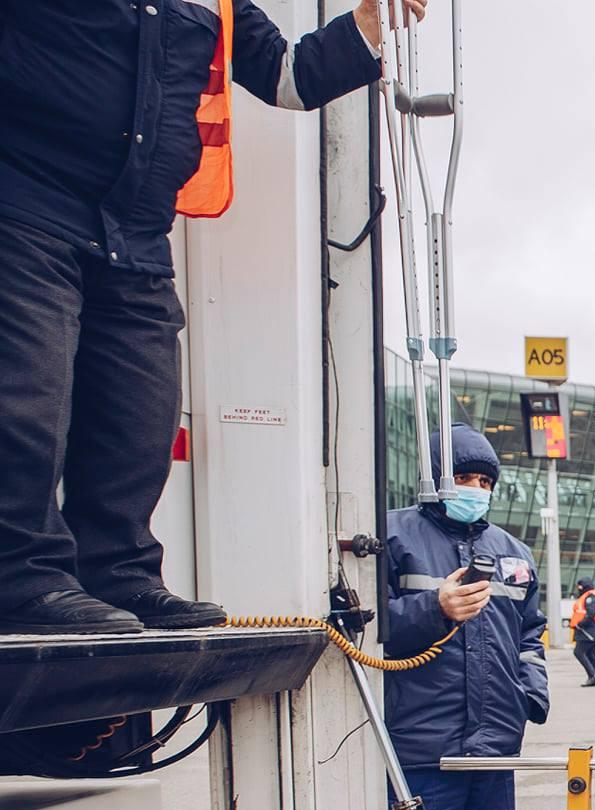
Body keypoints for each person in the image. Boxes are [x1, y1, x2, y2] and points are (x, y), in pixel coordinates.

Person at [0, 0, 425, 635]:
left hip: (137, 231)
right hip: (26, 204)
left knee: (138, 417)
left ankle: (120, 573)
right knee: (25, 404)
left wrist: (367, 23)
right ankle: (21, 579)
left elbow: (289, 76)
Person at [375, 423, 543, 810]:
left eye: (483, 480)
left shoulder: (514, 554)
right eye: (463, 477)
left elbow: (531, 634)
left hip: (495, 742)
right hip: (425, 743)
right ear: (434, 479)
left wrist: (531, 692)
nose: (475, 488)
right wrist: (434, 606)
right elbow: (366, 628)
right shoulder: (392, 537)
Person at [569, 577, 595, 686]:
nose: (579, 588)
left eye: (580, 586)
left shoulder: (590, 597)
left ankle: (592, 674)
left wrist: (580, 624)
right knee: (590, 653)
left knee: (579, 652)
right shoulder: (588, 596)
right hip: (589, 630)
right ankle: (594, 675)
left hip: (588, 631)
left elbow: (590, 613)